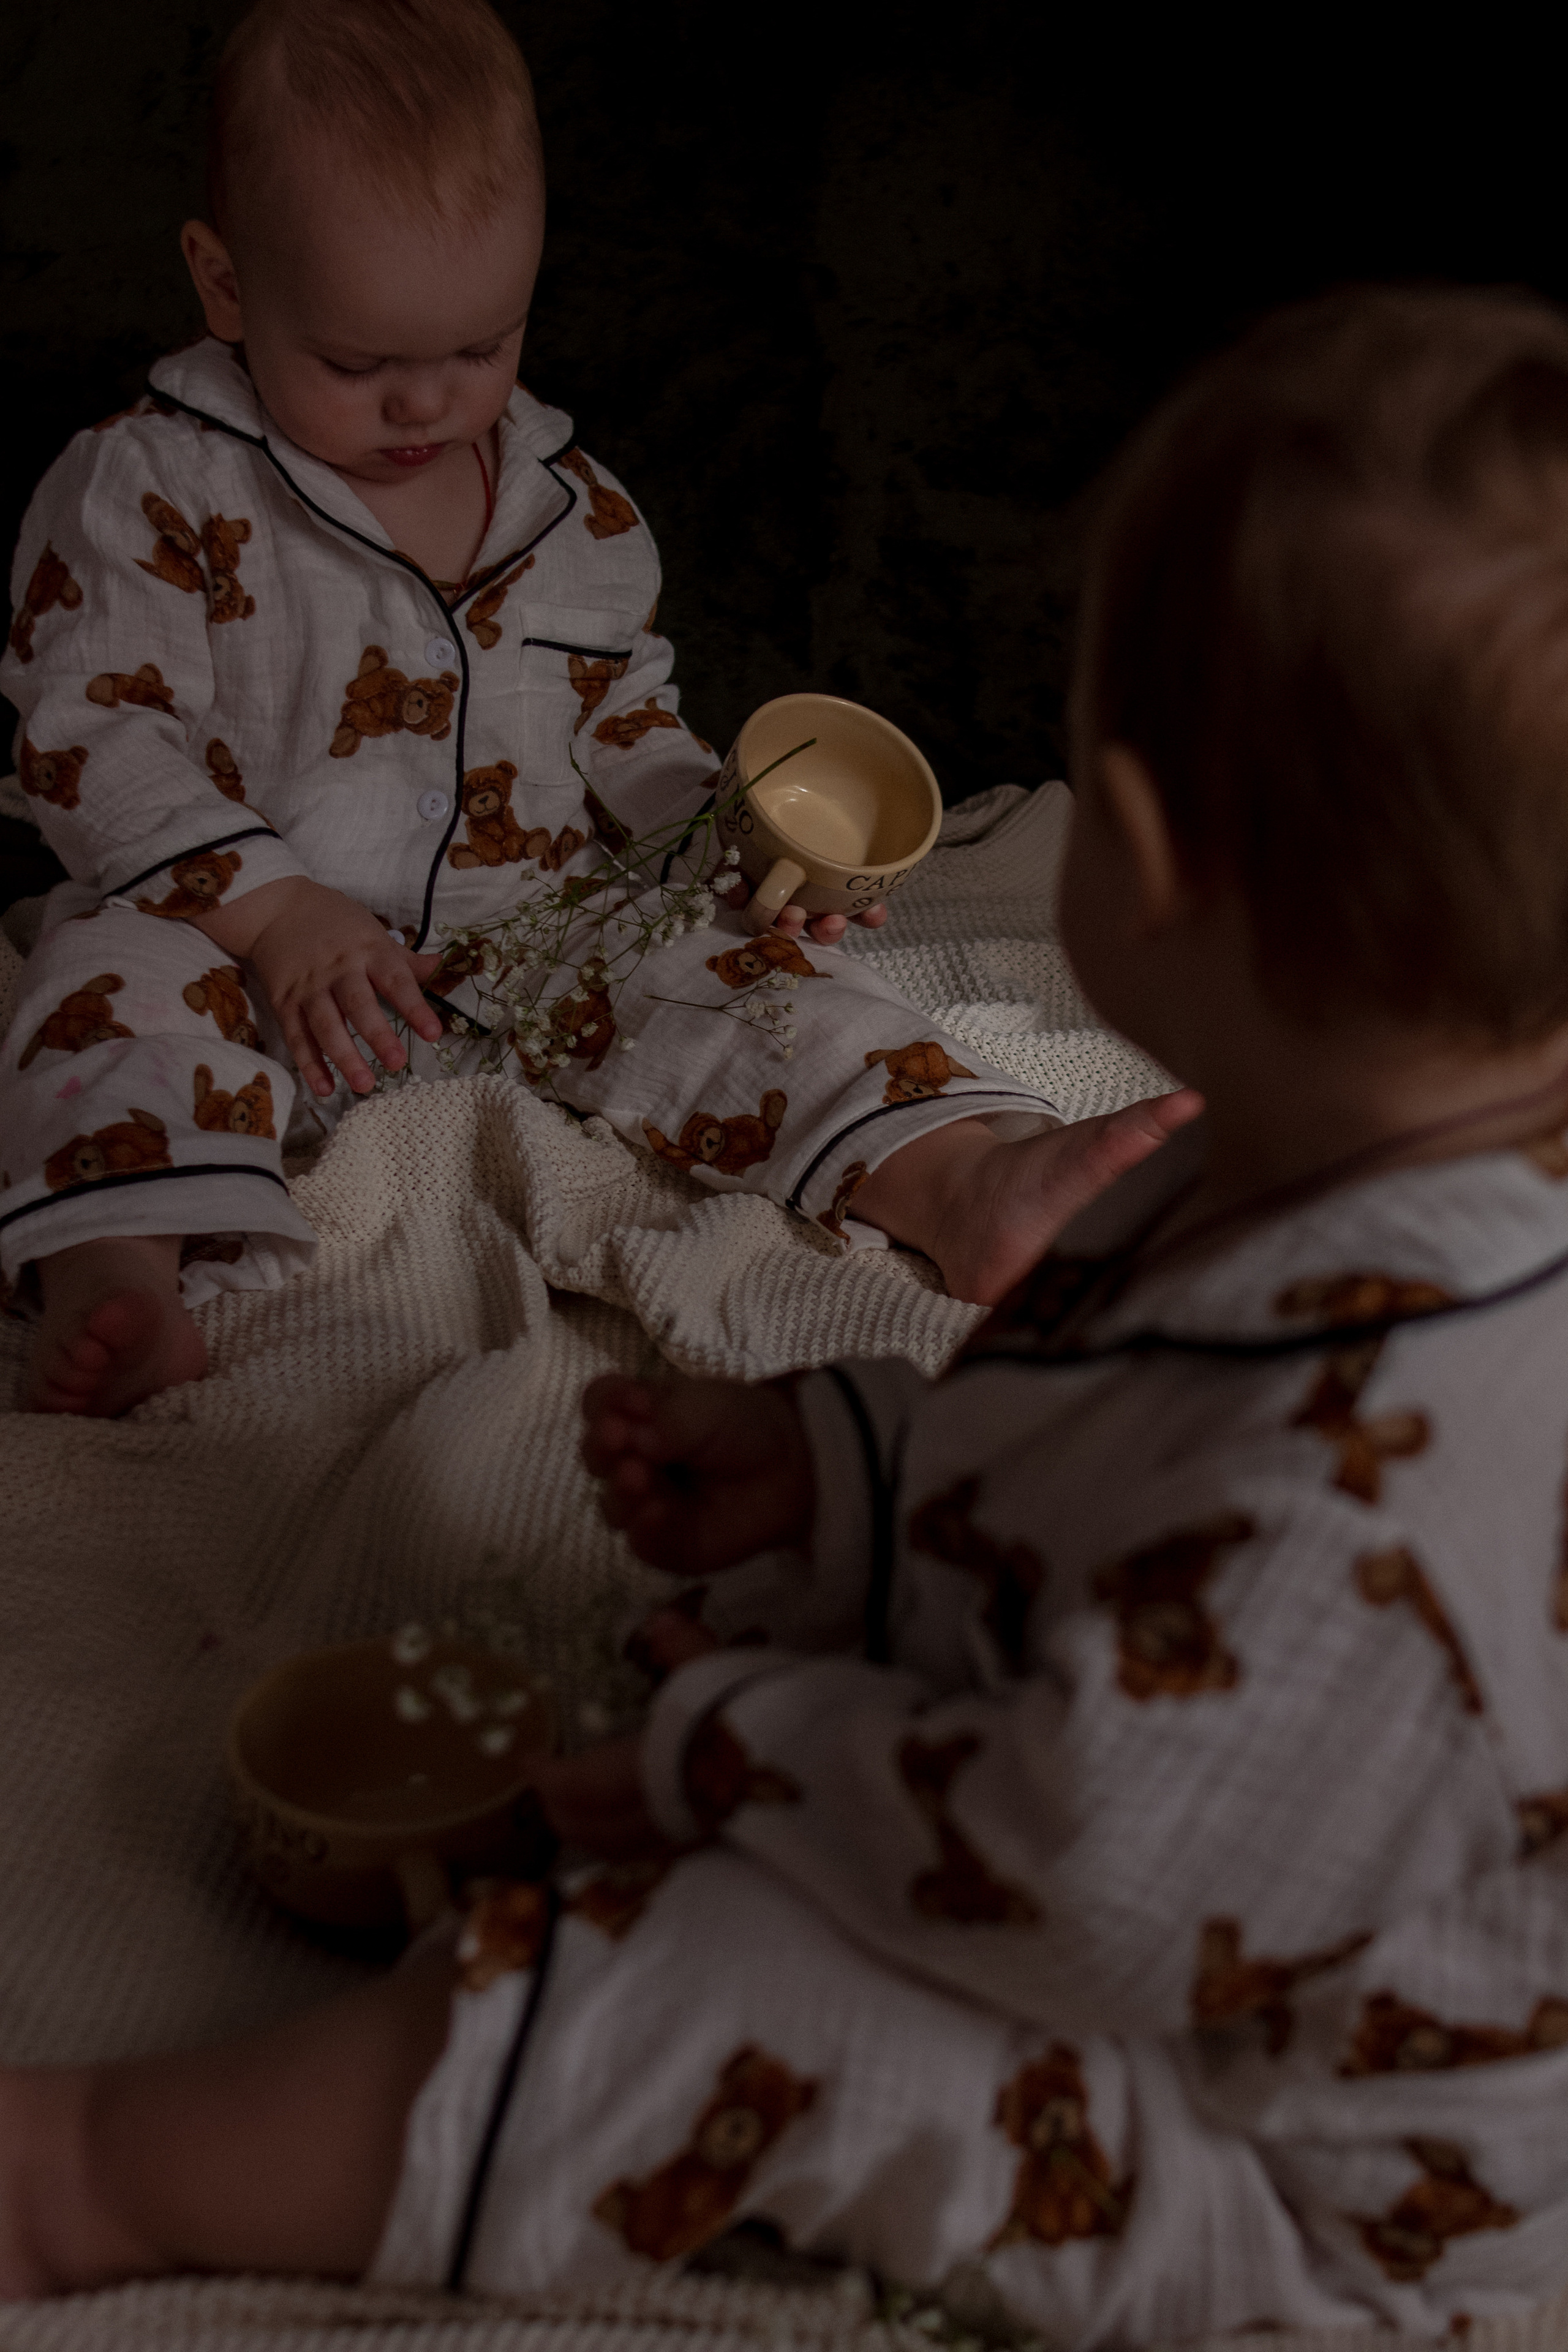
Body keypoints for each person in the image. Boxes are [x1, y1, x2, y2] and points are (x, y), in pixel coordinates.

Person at [14, 277, 1568, 2336]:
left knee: (708, 1994)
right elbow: (1116, 1443)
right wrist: (845, 1463)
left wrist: (724, 1758)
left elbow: (1071, 1889)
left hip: (1285, 2177)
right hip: (1151, 1857)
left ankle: (91, 2182)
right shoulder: (1292, 1166)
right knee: (720, 1665)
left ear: (1156, 863)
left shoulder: (1392, 1520)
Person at [0, 0, 1189, 1422]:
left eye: (479, 346)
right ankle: (117, 1274)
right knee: (102, 995)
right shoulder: (149, 485)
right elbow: (88, 737)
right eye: (359, 367)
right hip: (242, 951)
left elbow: (622, 728)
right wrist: (271, 910)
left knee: (756, 986)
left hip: (533, 935)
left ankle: (966, 1177)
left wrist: (727, 836)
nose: (423, 405)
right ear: (226, 285)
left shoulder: (582, 515)